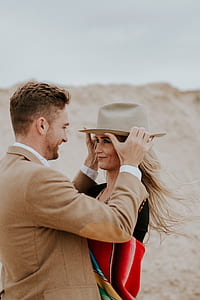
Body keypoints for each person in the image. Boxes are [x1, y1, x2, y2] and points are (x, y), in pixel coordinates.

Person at [0, 82, 153, 300]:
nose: (66, 137)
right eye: (64, 127)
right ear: (42, 126)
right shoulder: (38, 178)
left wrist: (89, 170)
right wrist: (130, 166)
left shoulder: (8, 169)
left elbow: (50, 209)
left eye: (105, 141)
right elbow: (117, 226)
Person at [79, 103, 182, 299]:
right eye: (97, 141)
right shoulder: (94, 192)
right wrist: (89, 163)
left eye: (107, 141)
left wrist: (130, 163)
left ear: (129, 146)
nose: (98, 148)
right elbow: (62, 212)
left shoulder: (137, 196)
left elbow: (114, 232)